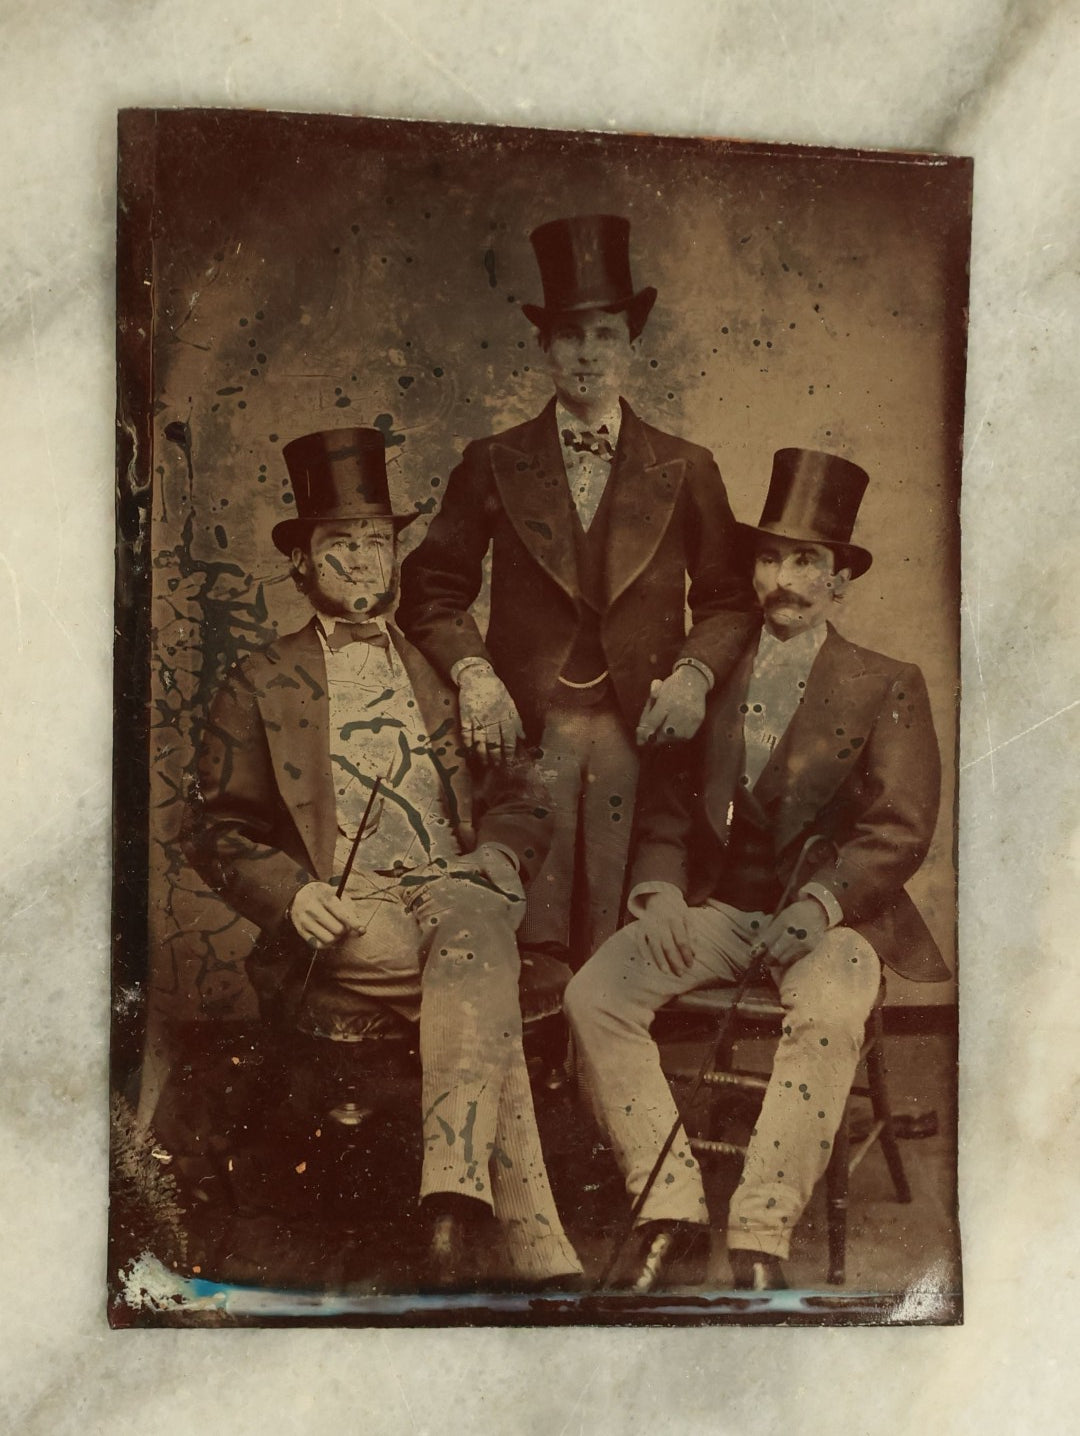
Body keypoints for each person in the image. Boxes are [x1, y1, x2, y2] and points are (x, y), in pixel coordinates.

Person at [183, 426, 582, 1291]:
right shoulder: (260, 680)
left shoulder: (454, 669)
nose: (363, 562)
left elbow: (523, 793)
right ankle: (517, 1235)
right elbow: (215, 828)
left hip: (456, 889)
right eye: (339, 545)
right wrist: (291, 897)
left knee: (473, 926)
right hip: (350, 912)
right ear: (301, 563)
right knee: (480, 977)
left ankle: (449, 1202)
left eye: (377, 542)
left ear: (398, 550)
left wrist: (501, 862)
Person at [564, 448, 950, 1291]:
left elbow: (901, 827)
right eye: (769, 558)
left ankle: (761, 1230)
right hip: (716, 910)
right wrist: (660, 888)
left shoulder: (886, 682)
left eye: (806, 560)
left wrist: (819, 906)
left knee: (833, 1005)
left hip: (831, 921)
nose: (782, 579)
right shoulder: (715, 674)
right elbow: (667, 799)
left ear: (840, 579)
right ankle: (668, 1200)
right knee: (594, 993)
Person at [397, 214, 755, 970]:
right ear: (544, 346)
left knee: (619, 913)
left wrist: (693, 676)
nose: (589, 354)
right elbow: (431, 588)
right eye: (571, 335)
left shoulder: (687, 466)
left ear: (631, 346)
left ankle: (602, 1060)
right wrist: (473, 673)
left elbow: (729, 598)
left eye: (606, 336)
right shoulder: (492, 461)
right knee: (533, 912)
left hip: (641, 722)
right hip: (528, 722)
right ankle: (537, 1062)